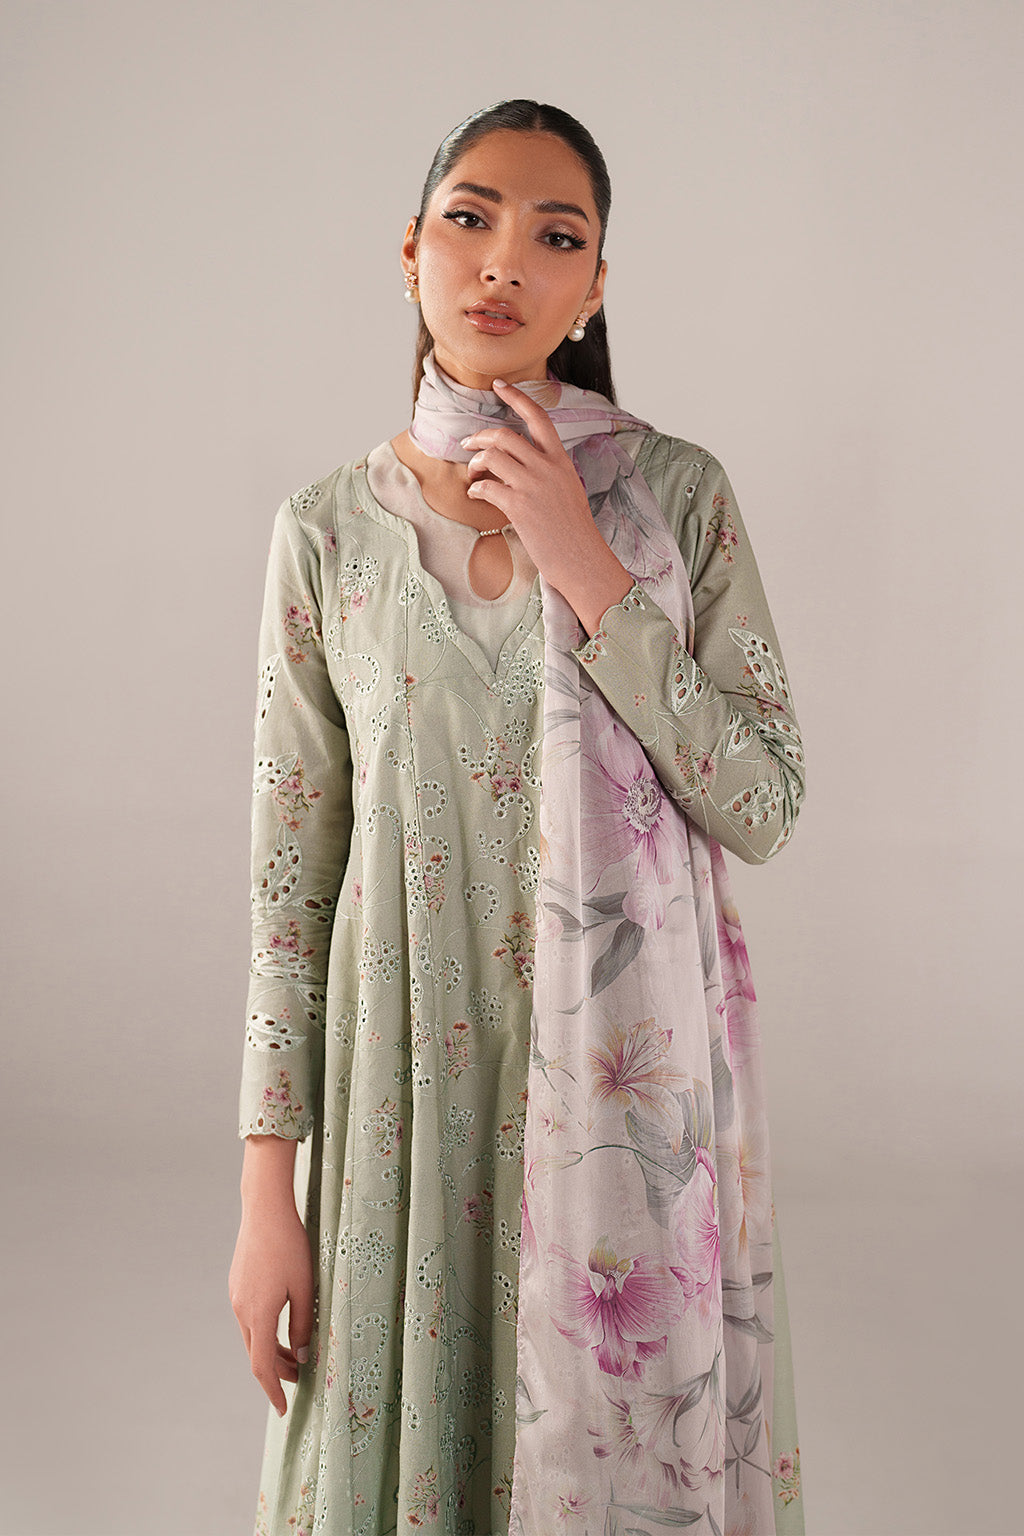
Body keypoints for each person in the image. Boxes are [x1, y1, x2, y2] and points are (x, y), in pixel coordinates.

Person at [229, 99, 806, 1536]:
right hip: (401, 1116)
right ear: (410, 251)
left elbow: (763, 801)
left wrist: (584, 561)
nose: (503, 263)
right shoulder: (327, 533)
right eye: (471, 219)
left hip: (623, 1116)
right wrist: (265, 1196)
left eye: (557, 237)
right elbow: (292, 888)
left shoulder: (675, 501)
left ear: (594, 286)